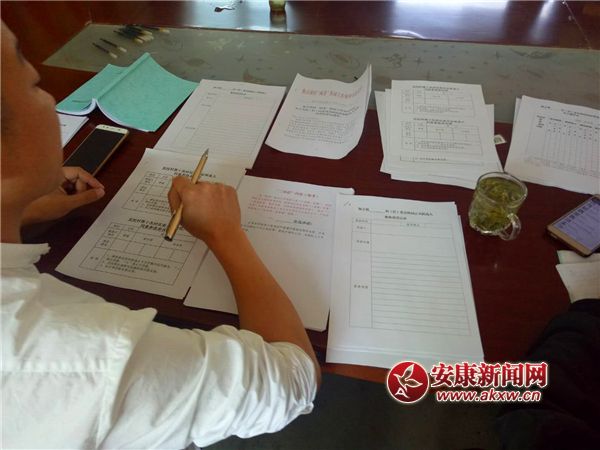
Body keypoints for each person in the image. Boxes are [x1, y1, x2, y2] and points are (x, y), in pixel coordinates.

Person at [1, 21, 320, 449]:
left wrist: (17, 210)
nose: (51, 100)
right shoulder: (81, 355)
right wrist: (226, 234)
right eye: (35, 85)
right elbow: (293, 378)